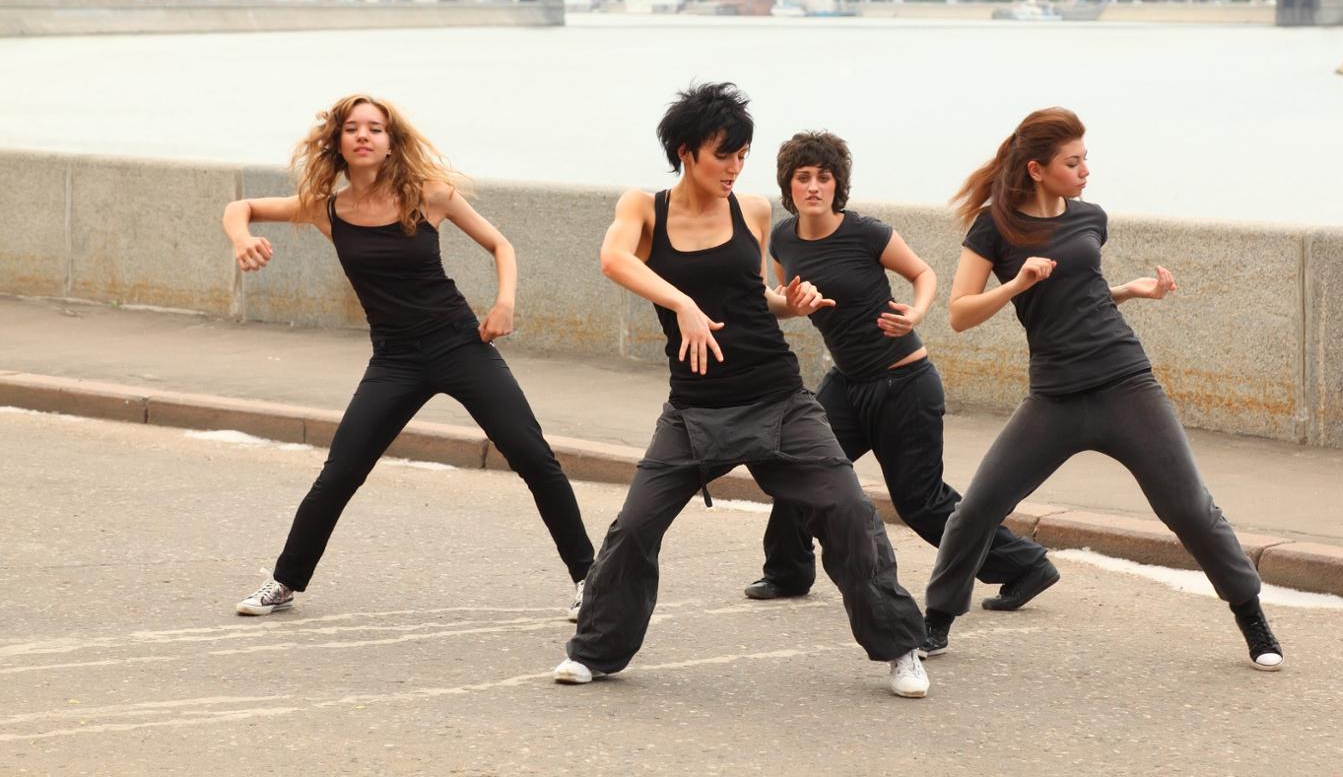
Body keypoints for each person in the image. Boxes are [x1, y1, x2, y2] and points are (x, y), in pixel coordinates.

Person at [553, 83, 931, 698]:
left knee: (850, 512)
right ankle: (595, 651)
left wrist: (793, 302)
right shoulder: (644, 208)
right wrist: (683, 305)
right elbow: (612, 260)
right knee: (634, 529)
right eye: (722, 154)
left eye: (741, 154)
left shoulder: (752, 210)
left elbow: (758, 299)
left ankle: (899, 647)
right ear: (685, 152)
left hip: (777, 398)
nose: (733, 168)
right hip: (694, 409)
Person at [922, 107, 1283, 671]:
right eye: (1074, 161)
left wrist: (1129, 291)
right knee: (977, 510)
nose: (1086, 169)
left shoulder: (1091, 217)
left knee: (1189, 508)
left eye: (1085, 157)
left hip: (1125, 383)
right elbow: (960, 314)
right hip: (1054, 398)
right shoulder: (995, 227)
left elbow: (1077, 297)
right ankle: (937, 621)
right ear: (1038, 169)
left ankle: (1251, 617)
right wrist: (1016, 283)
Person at [222, 94, 593, 620]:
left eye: (375, 128)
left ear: (391, 141)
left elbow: (501, 245)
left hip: (460, 345)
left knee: (534, 457)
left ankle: (590, 578)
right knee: (340, 472)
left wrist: (504, 302)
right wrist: (241, 237)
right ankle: (284, 581)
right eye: (352, 128)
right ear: (339, 142)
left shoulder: (428, 196)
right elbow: (241, 208)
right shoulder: (326, 208)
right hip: (394, 360)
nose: (364, 136)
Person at [742, 130, 1059, 615]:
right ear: (788, 184)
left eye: (823, 177)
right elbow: (788, 305)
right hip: (847, 384)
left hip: (903, 384)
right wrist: (789, 303)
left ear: (837, 184)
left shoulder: (866, 232)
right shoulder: (784, 239)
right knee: (798, 469)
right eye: (802, 177)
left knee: (921, 502)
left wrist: (915, 312)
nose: (813, 186)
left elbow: (924, 274)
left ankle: (1025, 563)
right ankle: (787, 570)